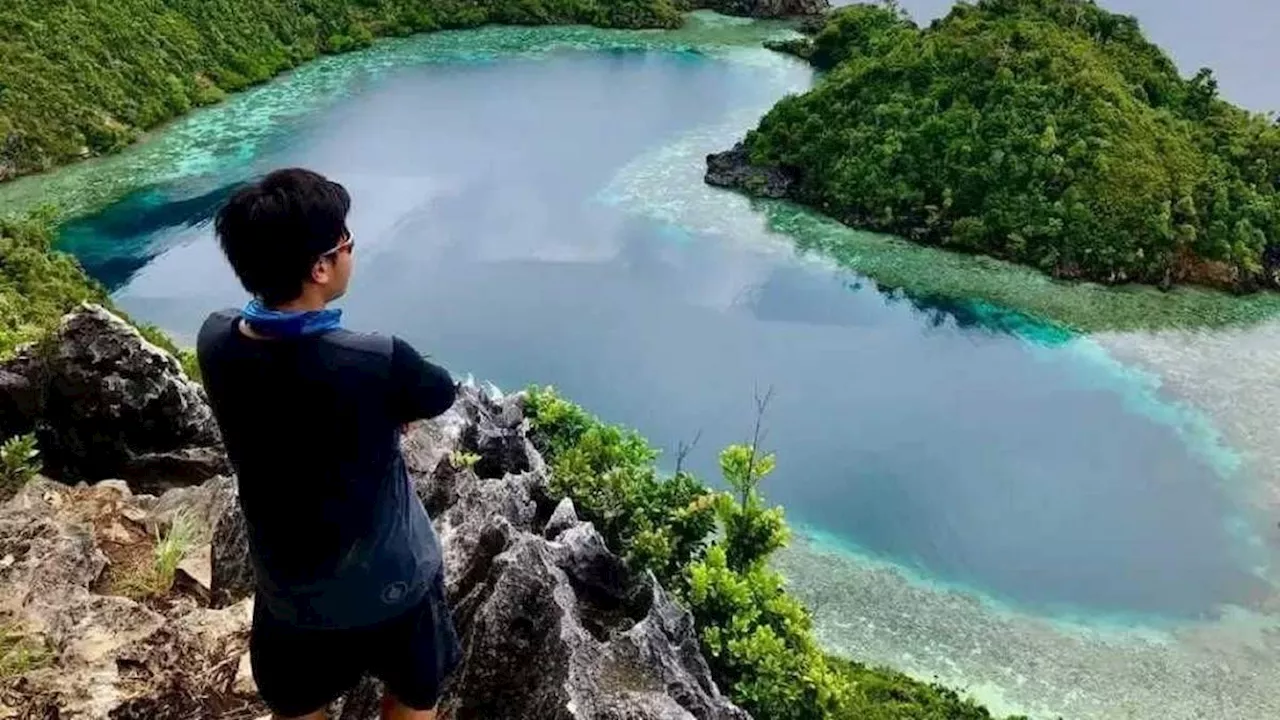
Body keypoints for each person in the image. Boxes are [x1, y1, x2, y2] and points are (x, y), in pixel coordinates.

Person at [197, 168, 461, 720]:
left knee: (298, 705)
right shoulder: (375, 361)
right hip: (394, 583)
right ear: (320, 267)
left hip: (289, 589)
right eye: (347, 243)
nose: (350, 251)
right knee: (414, 698)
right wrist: (389, 408)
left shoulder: (216, 341)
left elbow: (282, 366)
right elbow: (437, 393)